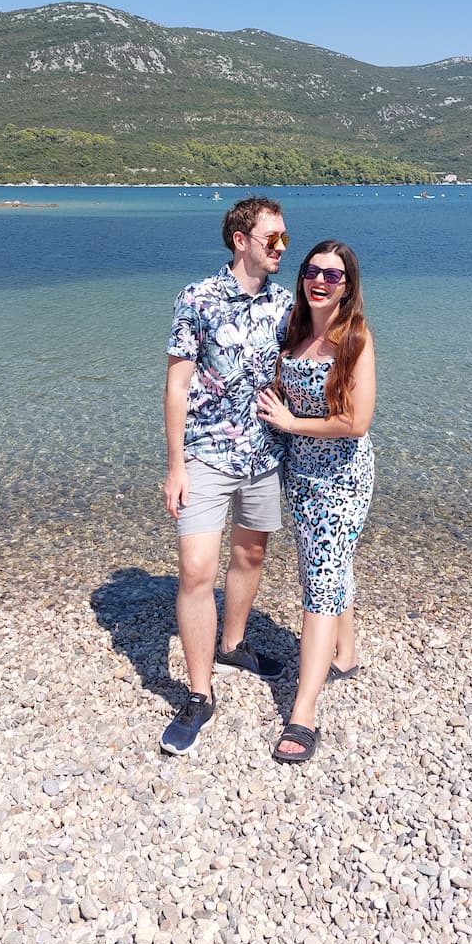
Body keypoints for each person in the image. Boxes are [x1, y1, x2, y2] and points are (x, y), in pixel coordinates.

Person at [160, 196, 293, 755]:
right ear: (241, 240)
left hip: (265, 452)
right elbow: (176, 384)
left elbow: (312, 362)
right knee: (195, 569)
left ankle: (233, 644)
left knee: (251, 555)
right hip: (206, 454)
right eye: (273, 238)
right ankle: (198, 693)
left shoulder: (287, 303)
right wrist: (174, 465)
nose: (282, 247)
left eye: (285, 237)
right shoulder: (197, 299)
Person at [256, 240, 375, 763]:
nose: (321, 280)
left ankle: (303, 712)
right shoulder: (295, 333)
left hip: (344, 478)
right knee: (323, 569)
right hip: (300, 476)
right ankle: (344, 655)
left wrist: (291, 423)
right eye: (312, 271)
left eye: (334, 274)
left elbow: (357, 422)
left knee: (320, 582)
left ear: (348, 285)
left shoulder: (355, 340)